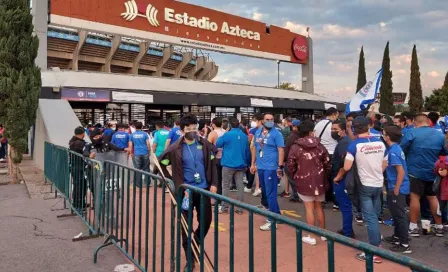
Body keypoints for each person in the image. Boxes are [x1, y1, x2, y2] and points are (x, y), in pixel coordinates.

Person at [158, 114, 217, 272]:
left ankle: (194, 245)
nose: (193, 131)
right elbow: (160, 164)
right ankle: (189, 260)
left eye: (194, 128)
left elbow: (213, 163)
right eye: (189, 129)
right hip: (185, 193)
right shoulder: (175, 148)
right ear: (182, 130)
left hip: (203, 190)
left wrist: (214, 183)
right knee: (185, 227)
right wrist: (174, 182)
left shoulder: (204, 145)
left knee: (206, 221)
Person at [336, 116, 387, 263]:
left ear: (354, 129)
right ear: (368, 127)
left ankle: (374, 251)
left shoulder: (354, 145)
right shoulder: (380, 142)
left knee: (369, 218)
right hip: (378, 183)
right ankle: (378, 244)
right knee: (374, 216)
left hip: (364, 185)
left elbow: (346, 167)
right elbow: (385, 163)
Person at [400, 113, 448, 237]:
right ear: (428, 121)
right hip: (432, 172)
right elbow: (444, 151)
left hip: (414, 171)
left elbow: (402, 150)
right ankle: (439, 226)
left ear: (415, 123)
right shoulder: (439, 135)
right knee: (432, 198)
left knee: (415, 198)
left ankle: (414, 226)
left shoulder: (411, 133)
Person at [288, 120, 330, 245]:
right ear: (311, 132)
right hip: (320, 181)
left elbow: (290, 165)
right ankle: (323, 233)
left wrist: (296, 175)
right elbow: (327, 162)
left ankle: (311, 236)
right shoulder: (320, 145)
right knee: (318, 207)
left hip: (304, 180)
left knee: (309, 208)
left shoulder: (295, 147)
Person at [250, 113, 285, 231]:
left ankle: (272, 220)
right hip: (261, 166)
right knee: (265, 192)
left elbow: (281, 150)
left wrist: (280, 166)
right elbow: (255, 148)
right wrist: (253, 163)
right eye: (267, 119)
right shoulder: (258, 132)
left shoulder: (277, 134)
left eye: (271, 119)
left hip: (271, 167)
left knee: (271, 194)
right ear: (262, 121)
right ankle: (277, 215)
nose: (269, 121)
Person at [382, 125, 412, 254]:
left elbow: (401, 172)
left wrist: (396, 188)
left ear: (388, 137)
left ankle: (404, 244)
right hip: (395, 185)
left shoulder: (393, 151)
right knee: (395, 213)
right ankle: (396, 237)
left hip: (397, 186)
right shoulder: (394, 149)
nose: (382, 135)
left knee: (400, 215)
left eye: (384, 133)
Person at [216, 117, 250, 214]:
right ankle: (239, 208)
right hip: (241, 164)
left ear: (229, 125)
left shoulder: (227, 135)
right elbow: (247, 152)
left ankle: (224, 207)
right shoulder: (244, 136)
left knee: (225, 185)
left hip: (228, 164)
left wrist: (226, 132)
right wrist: (247, 163)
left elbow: (218, 144)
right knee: (240, 186)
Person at [331, 120, 355, 238]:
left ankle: (347, 231)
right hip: (343, 178)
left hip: (342, 179)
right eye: (332, 129)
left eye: (335, 129)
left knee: (345, 206)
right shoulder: (343, 141)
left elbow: (344, 163)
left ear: (343, 131)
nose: (333, 131)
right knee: (344, 205)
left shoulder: (344, 143)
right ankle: (347, 229)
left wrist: (338, 176)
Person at [313, 107, 339, 210]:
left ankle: (322, 199)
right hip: (332, 152)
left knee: (322, 177)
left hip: (320, 152)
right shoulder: (333, 126)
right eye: (336, 115)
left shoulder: (318, 124)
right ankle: (335, 201)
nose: (336, 117)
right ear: (333, 114)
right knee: (334, 177)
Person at [68, 126, 96, 212]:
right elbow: (85, 152)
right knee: (79, 186)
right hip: (78, 166)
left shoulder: (73, 141)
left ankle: (79, 203)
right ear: (83, 133)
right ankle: (78, 206)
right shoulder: (79, 143)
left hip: (76, 166)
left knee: (81, 185)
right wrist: (89, 156)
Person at [282, 119, 302, 202]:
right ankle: (299, 194)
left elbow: (286, 149)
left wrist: (283, 160)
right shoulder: (301, 136)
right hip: (299, 160)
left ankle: (297, 195)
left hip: (290, 160)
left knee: (292, 179)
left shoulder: (291, 137)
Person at [207, 118, 226, 203]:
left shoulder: (212, 133)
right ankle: (222, 198)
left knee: (216, 178)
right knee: (223, 179)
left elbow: (207, 146)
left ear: (213, 124)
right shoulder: (225, 132)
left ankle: (217, 199)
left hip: (215, 158)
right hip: (225, 157)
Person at [128, 121, 151, 187]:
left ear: (134, 127)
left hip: (137, 153)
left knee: (137, 169)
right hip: (145, 152)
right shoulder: (145, 134)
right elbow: (148, 143)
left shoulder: (132, 135)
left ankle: (138, 184)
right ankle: (147, 183)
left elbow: (130, 145)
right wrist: (148, 151)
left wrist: (130, 153)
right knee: (146, 168)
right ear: (142, 127)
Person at [247, 113, 263, 197]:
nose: (253, 122)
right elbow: (254, 146)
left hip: (261, 156)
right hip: (257, 155)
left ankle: (258, 188)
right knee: (257, 172)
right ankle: (257, 188)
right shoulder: (256, 131)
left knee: (259, 172)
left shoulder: (259, 131)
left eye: (255, 120)